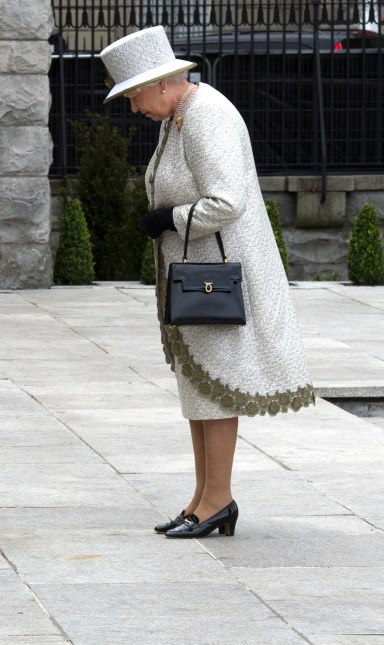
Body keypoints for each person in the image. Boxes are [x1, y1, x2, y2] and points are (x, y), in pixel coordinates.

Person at [99, 27, 315, 538]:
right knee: (200, 386)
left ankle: (217, 499)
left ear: (163, 83)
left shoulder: (204, 117)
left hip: (216, 276)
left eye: (133, 94)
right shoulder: (177, 116)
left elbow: (227, 201)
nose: (133, 106)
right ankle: (204, 497)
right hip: (196, 273)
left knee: (215, 387)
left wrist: (168, 218)